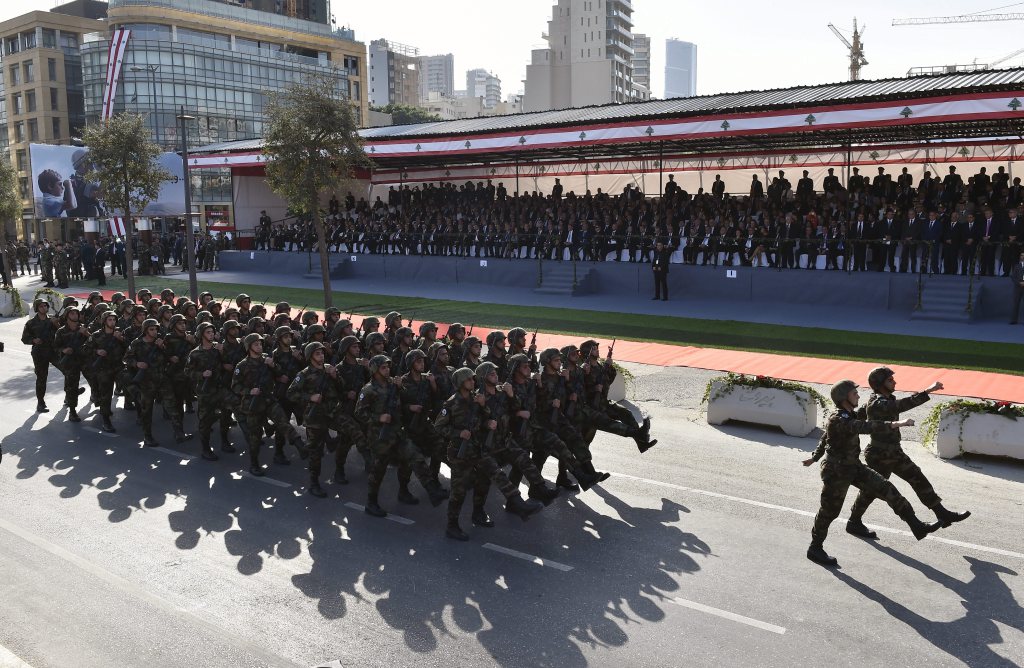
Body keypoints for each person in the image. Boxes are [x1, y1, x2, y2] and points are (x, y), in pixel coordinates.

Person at [802, 380, 942, 567]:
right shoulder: (838, 419)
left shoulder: (848, 414)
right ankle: (815, 548)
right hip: (836, 471)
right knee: (829, 512)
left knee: (886, 488)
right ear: (844, 398)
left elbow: (826, 437)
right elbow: (865, 427)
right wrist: (895, 424)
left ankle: (916, 525)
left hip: (854, 466)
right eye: (854, 393)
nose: (858, 396)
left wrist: (814, 457)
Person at [844, 367, 970, 538]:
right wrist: (928, 391)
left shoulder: (882, 399)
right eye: (890, 380)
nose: (894, 382)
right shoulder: (878, 403)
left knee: (917, 477)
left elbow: (859, 415)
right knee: (871, 491)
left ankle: (941, 512)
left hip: (894, 452)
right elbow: (901, 405)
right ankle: (854, 522)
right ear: (879, 384)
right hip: (879, 455)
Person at [435, 367, 545, 540]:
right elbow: (439, 427)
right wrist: (458, 433)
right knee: (459, 492)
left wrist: (484, 411)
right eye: (469, 380)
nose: (473, 382)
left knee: (495, 475)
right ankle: (452, 525)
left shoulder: (476, 399)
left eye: (473, 379)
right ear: (460, 383)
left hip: (478, 449)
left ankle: (516, 504)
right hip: (460, 453)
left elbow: (486, 418)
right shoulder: (451, 404)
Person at [22, 299, 57, 412]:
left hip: (53, 350)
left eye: (45, 306)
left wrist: (56, 323)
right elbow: (24, 338)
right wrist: (33, 340)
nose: (44, 308)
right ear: (37, 308)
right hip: (39, 353)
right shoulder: (31, 323)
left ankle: (71, 393)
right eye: (41, 306)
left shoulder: (52, 319)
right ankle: (40, 402)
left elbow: (61, 330)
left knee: (67, 369)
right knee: (42, 377)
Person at [1011, 251, 1024, 324]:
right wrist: (1019, 283)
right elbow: (1013, 277)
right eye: (1022, 255)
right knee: (1015, 304)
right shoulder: (1016, 266)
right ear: (1020, 256)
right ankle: (1013, 320)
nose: (1023, 256)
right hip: (1017, 288)